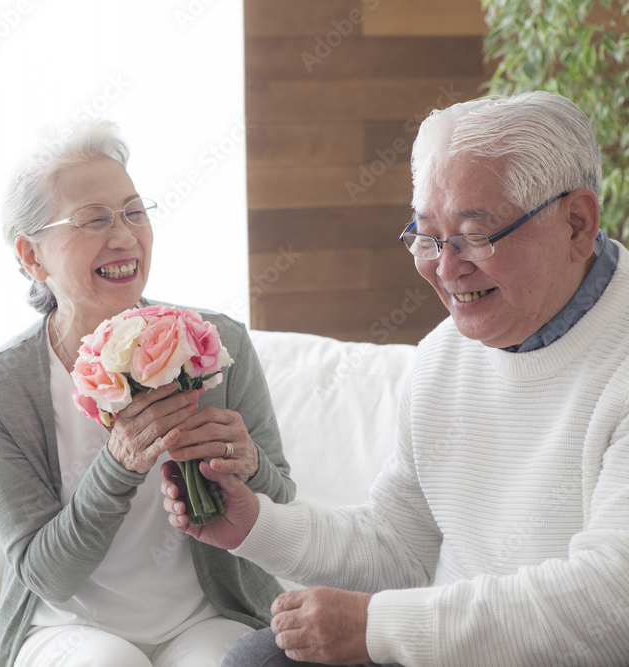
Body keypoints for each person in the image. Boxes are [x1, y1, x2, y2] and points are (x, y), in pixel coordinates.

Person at [162, 90, 629, 666]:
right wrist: (256, 524)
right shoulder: (443, 358)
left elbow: (613, 605)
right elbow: (401, 548)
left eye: (475, 234)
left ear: (577, 224)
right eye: (428, 236)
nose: (446, 266)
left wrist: (378, 626)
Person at [0, 120, 296, 667]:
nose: (124, 237)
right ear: (32, 256)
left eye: (134, 212)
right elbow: (46, 574)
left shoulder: (214, 344)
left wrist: (248, 465)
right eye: (93, 220)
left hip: (207, 616)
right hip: (67, 627)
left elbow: (283, 506)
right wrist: (118, 465)